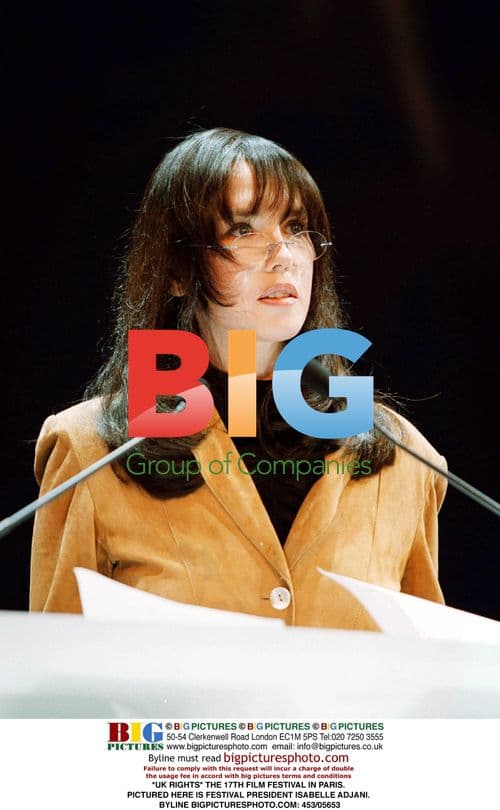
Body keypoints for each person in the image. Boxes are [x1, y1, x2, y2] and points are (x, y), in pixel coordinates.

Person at [30, 128, 447, 629]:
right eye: (243, 230)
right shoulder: (88, 450)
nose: (284, 254)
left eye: (296, 228)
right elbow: (56, 690)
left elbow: (426, 683)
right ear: (179, 271)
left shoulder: (403, 456)